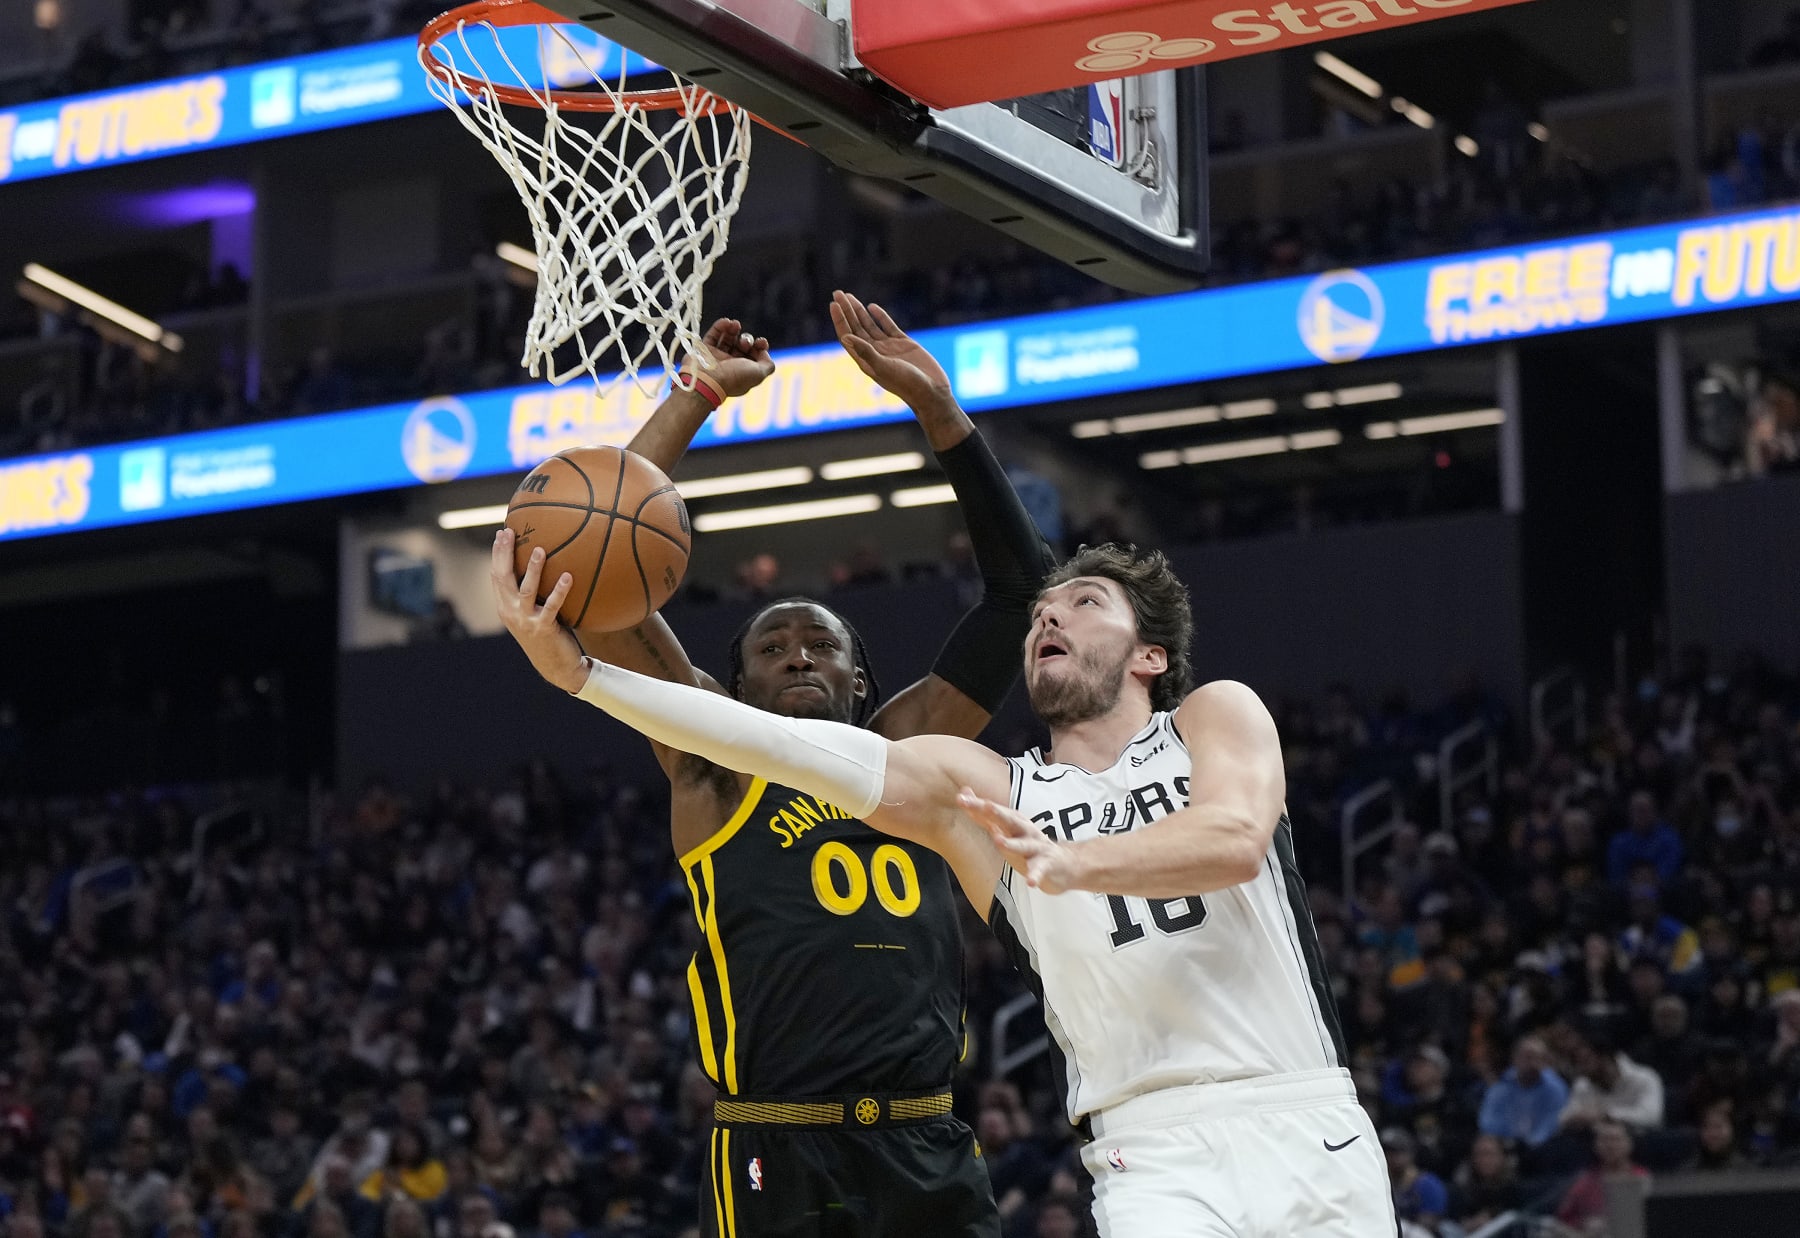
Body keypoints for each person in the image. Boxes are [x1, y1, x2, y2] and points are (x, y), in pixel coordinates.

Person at [495, 540, 1395, 1235]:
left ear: (1150, 654)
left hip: (1302, 1112)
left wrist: (1077, 864)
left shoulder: (1213, 715)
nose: (1050, 615)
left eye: (1084, 602)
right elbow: (774, 742)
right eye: (1041, 613)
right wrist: (584, 676)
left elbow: (1234, 840)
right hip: (1145, 1147)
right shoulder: (991, 787)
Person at [505, 294, 1054, 1237]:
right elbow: (587, 558)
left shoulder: (912, 754)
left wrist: (941, 413)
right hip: (779, 1142)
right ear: (732, 687)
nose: (798, 655)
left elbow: (1022, 596)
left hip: (925, 1136)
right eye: (771, 647)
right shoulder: (712, 767)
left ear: (860, 680)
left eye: (821, 645)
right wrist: (694, 396)